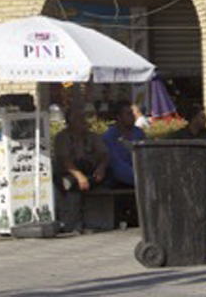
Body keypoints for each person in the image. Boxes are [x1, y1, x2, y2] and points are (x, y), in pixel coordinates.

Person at [53, 96, 111, 230]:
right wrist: (79, 175)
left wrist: (101, 168)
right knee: (72, 184)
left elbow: (104, 154)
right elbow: (64, 159)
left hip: (90, 171)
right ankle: (72, 223)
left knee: (108, 177)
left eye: (84, 117)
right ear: (70, 121)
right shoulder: (63, 137)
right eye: (79, 118)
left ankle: (96, 221)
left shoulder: (92, 136)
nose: (83, 121)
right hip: (69, 171)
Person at [102, 100, 147, 188]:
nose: (133, 116)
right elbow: (117, 165)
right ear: (119, 117)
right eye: (129, 114)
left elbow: (145, 156)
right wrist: (140, 178)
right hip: (121, 182)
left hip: (141, 177)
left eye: (132, 113)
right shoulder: (110, 136)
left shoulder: (139, 133)